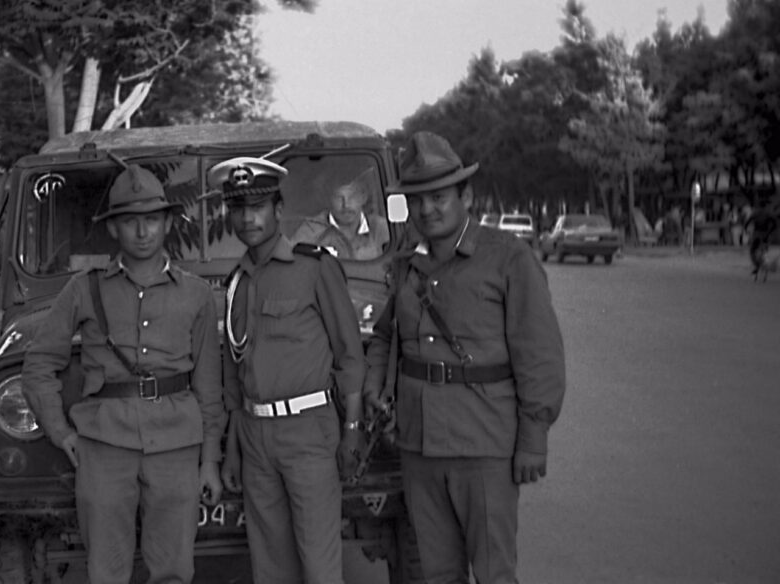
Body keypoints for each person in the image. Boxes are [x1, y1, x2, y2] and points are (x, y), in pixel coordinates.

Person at [363, 132, 566, 584]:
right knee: (436, 573)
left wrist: (533, 438)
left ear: (466, 196)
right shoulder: (405, 265)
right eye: (416, 201)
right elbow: (383, 336)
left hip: (484, 446)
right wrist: (375, 386)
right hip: (418, 447)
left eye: (439, 197)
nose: (427, 210)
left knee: (494, 572)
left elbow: (540, 355)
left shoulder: (508, 259)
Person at [21, 164, 225, 584]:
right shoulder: (83, 288)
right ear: (113, 229)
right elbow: (39, 363)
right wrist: (60, 433)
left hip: (176, 445)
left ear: (168, 223)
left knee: (172, 569)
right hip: (104, 445)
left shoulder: (197, 295)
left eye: (152, 220)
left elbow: (208, 386)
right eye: (130, 222)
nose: (143, 232)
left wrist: (209, 460)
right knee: (106, 571)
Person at [209, 156, 366, 584]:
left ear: (279, 210)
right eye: (238, 208)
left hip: (309, 432)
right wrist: (235, 448)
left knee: (318, 563)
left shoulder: (314, 267)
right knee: (270, 564)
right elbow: (235, 377)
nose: (247, 218)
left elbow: (350, 355)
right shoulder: (236, 284)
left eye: (257, 206)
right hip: (256, 438)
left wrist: (352, 430)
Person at [290, 168, 390, 260]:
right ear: (329, 199)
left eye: (352, 196)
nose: (346, 205)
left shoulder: (381, 228)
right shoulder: (311, 231)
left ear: (363, 197)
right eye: (338, 198)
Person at [744, 202, 778, 276]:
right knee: (765, 250)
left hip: (756, 234)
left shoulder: (755, 214)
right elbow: (775, 224)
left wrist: (746, 231)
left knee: (752, 250)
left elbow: (746, 223)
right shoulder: (768, 214)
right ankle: (765, 262)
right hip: (765, 234)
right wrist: (770, 232)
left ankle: (756, 266)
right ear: (765, 206)